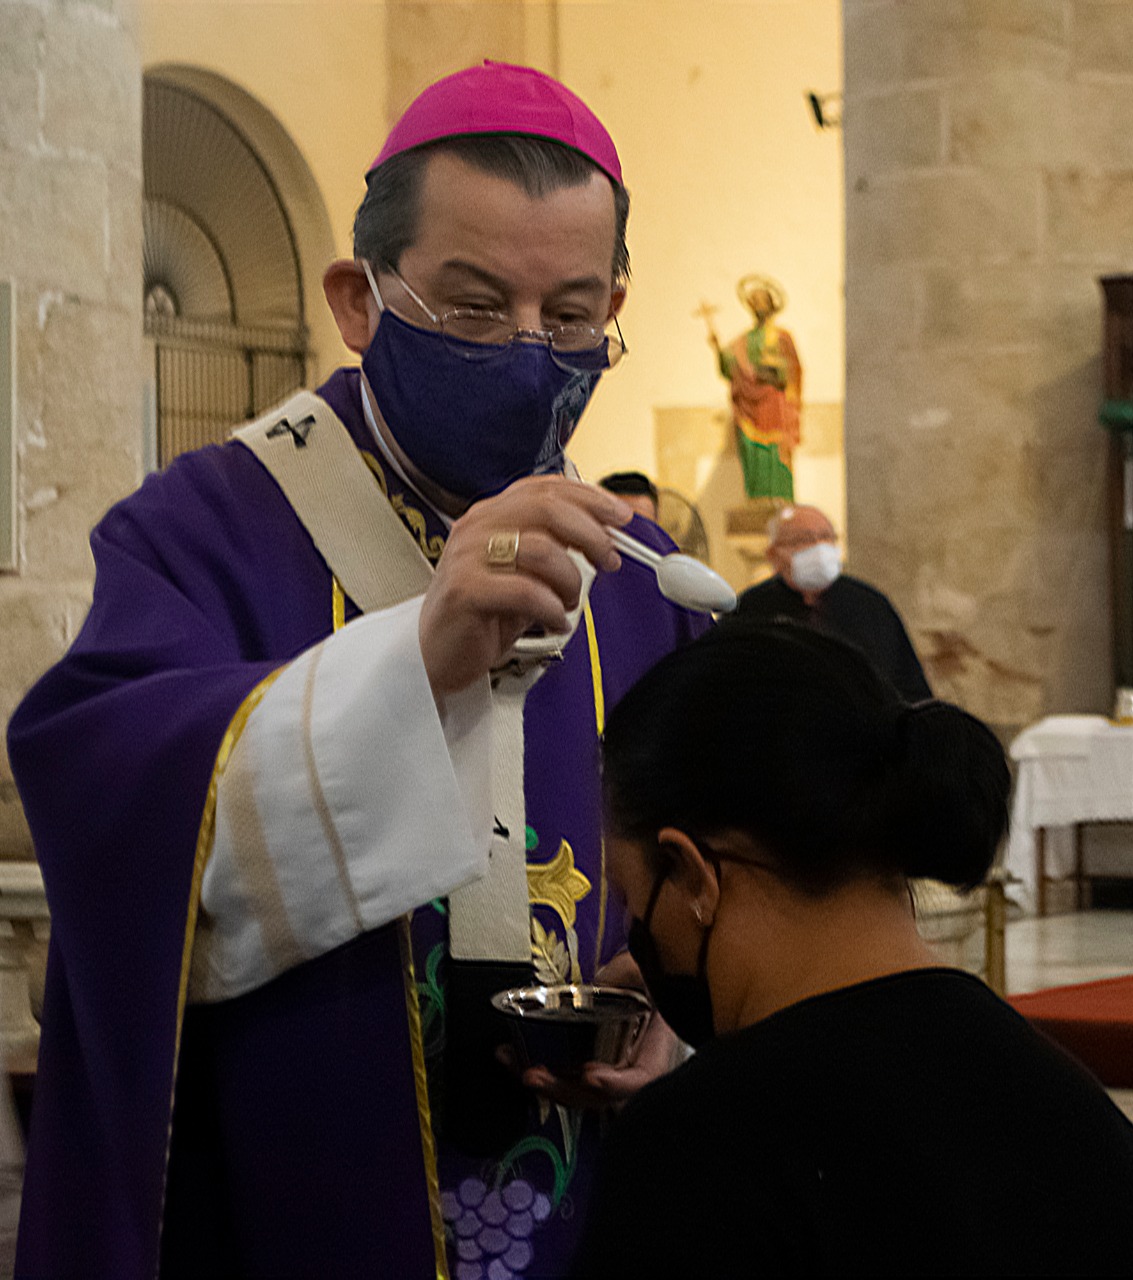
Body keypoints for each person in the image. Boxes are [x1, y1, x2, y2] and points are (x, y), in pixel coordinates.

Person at [7, 62, 707, 1279]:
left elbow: (723, 866)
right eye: (475, 309)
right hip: (294, 1203)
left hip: (598, 1209)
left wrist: (672, 1008)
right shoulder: (203, 528)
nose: (531, 351)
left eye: (571, 314)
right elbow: (105, 802)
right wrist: (413, 660)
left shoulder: (642, 577)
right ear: (357, 298)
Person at [571, 619, 1133, 1278]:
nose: (640, 932)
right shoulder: (1065, 1099)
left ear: (691, 873)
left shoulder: (700, 1147)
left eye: (632, 896)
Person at [738, 502, 932, 702]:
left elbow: (910, 688)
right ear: (773, 554)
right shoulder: (750, 610)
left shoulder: (871, 606)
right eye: (804, 539)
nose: (819, 547)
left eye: (826, 537)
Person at [702, 274, 801, 502]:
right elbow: (730, 367)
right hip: (750, 411)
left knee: (775, 455)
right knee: (753, 453)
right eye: (753, 302)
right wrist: (718, 348)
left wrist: (773, 369)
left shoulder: (781, 337)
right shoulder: (743, 341)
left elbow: (792, 370)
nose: (758, 306)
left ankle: (780, 500)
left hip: (774, 407)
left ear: (771, 304)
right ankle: (756, 501)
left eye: (762, 301)